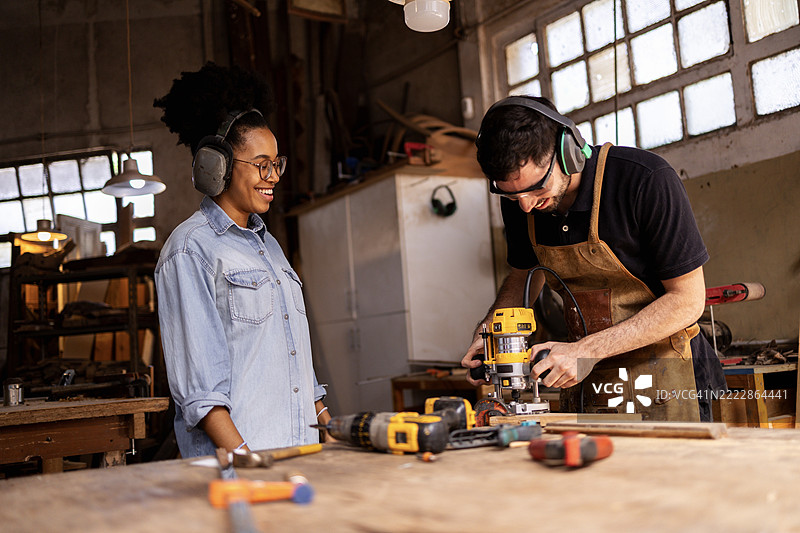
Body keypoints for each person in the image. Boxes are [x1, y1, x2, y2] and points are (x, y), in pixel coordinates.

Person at [461, 95, 726, 422]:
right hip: (583, 379)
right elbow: (522, 277)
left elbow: (688, 300)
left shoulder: (645, 180)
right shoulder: (522, 202)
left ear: (567, 151)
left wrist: (586, 351)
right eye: (512, 195)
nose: (526, 205)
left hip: (666, 376)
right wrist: (492, 333)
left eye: (537, 189)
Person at [153, 62, 330, 458]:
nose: (274, 176)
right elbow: (200, 390)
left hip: (298, 456)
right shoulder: (189, 251)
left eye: (277, 164)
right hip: (242, 468)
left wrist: (328, 425)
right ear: (220, 166)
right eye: (262, 164)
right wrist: (246, 457)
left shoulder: (270, 248)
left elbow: (294, 358)